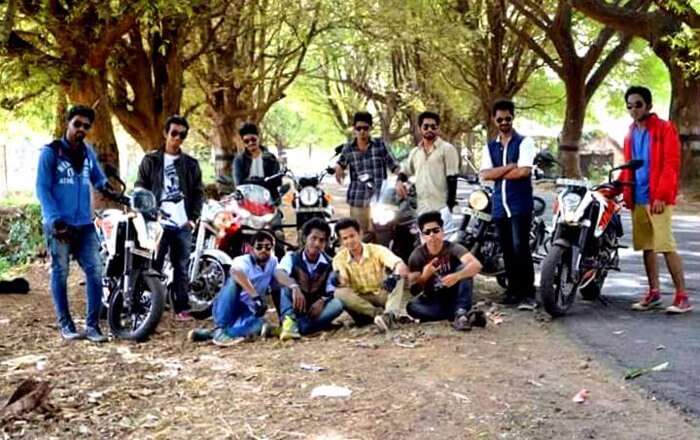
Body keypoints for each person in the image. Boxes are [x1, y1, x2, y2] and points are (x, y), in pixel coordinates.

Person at [35, 105, 114, 342]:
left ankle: (92, 326)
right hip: (60, 225)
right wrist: (54, 219)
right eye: (77, 124)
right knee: (60, 273)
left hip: (85, 224)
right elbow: (42, 188)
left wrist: (106, 187)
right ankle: (66, 325)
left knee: (96, 270)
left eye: (86, 126)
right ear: (67, 124)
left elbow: (97, 177)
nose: (81, 129)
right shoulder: (51, 153)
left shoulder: (88, 152)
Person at [621, 86, 692, 314]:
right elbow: (628, 165)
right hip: (638, 197)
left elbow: (671, 164)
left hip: (657, 198)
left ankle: (682, 297)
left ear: (649, 106)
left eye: (638, 104)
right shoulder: (630, 132)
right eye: (630, 106)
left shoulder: (664, 128)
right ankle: (654, 293)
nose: (633, 109)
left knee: (666, 246)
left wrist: (661, 195)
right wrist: (620, 191)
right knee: (647, 247)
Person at [135, 114, 204, 321]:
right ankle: (150, 306)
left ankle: (181, 308)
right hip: (158, 223)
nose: (177, 138)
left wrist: (192, 218)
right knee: (152, 265)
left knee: (181, 267)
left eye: (182, 135)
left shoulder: (191, 164)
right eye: (174, 133)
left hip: (182, 223)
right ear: (166, 133)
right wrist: (146, 214)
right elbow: (140, 186)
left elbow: (198, 192)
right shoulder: (151, 160)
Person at [189, 231, 304, 345]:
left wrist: (292, 287)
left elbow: (277, 284)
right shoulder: (243, 260)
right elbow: (236, 272)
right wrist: (255, 296)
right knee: (234, 281)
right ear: (251, 249)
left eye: (268, 247)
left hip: (248, 311)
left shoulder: (272, 262)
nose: (263, 250)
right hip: (230, 305)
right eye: (259, 247)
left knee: (260, 325)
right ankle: (220, 328)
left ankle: (216, 334)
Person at [479, 99, 537, 311]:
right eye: (500, 119)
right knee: (507, 250)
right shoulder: (490, 146)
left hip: (520, 205)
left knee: (520, 248)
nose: (504, 122)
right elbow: (484, 174)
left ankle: (528, 293)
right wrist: (510, 166)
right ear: (494, 120)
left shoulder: (524, 142)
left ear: (513, 118)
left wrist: (499, 172)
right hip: (499, 206)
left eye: (508, 118)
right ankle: (512, 291)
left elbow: (524, 171)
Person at [406, 211, 485, 331]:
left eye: (436, 230)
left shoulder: (453, 248)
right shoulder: (417, 256)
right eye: (427, 232)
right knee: (411, 307)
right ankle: (461, 315)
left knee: (465, 268)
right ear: (422, 236)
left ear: (442, 231)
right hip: (434, 300)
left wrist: (457, 276)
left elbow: (476, 265)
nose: (432, 235)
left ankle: (461, 313)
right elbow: (413, 290)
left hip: (455, 295)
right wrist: (425, 276)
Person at [332, 218, 410, 331]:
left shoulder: (377, 250)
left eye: (352, 236)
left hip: (381, 293)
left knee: (399, 278)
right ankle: (379, 315)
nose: (350, 241)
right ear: (340, 241)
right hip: (360, 301)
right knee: (339, 293)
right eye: (345, 238)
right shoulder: (339, 258)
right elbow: (343, 280)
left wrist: (395, 276)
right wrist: (338, 280)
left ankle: (389, 315)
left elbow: (400, 265)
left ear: (360, 234)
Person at [335, 112, 401, 239]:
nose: (362, 132)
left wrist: (402, 176)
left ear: (370, 128)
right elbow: (340, 163)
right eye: (358, 128)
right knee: (360, 238)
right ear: (354, 129)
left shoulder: (380, 145)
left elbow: (393, 165)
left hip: (380, 199)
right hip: (358, 200)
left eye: (365, 128)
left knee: (382, 236)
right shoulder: (348, 148)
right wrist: (338, 167)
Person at [277, 218, 344, 340]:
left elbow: (331, 289)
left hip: (314, 311)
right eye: (313, 238)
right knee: (286, 285)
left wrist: (322, 301)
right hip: (295, 307)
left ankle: (302, 328)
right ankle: (290, 324)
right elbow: (279, 273)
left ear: (326, 243)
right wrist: (295, 287)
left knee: (338, 304)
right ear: (305, 238)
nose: (317, 243)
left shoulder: (330, 263)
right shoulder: (292, 257)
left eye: (322, 240)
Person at [399, 111, 460, 229]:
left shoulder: (447, 149)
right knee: (425, 244)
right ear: (420, 128)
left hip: (441, 208)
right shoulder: (415, 152)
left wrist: (449, 206)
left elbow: (452, 179)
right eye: (425, 126)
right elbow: (405, 170)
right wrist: (399, 181)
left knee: (443, 244)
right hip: (422, 209)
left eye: (433, 126)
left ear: (438, 128)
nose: (429, 129)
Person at [233, 122, 283, 202]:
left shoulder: (270, 158)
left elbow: (276, 181)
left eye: (253, 139)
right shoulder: (239, 160)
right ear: (243, 143)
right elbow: (239, 183)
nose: (250, 143)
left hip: (269, 201)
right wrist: (263, 181)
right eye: (246, 141)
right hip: (246, 202)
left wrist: (251, 180)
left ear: (258, 138)